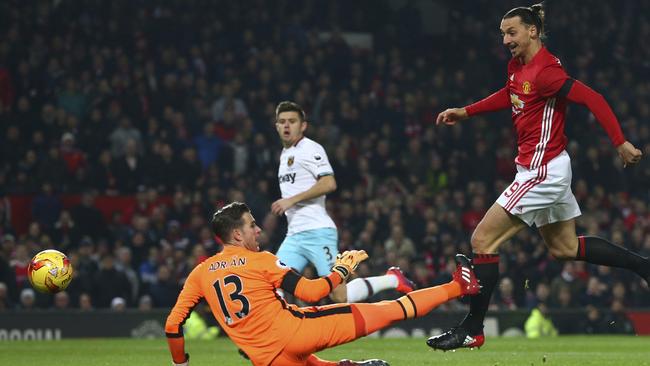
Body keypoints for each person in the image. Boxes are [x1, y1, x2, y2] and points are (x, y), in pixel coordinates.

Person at [427, 3, 647, 351]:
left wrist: (620, 143)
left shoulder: (547, 73)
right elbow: (511, 94)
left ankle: (472, 329)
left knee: (482, 241)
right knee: (565, 248)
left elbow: (593, 98)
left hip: (542, 170)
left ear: (532, 30)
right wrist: (467, 111)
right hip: (548, 166)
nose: (505, 40)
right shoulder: (517, 66)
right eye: (502, 33)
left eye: (511, 32)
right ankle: (644, 266)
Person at [165, 202, 480, 366]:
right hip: (299, 333)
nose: (258, 230)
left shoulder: (200, 273)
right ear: (237, 235)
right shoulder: (260, 261)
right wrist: (341, 270)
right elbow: (313, 292)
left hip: (267, 360)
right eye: (252, 225)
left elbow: (173, 326)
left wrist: (181, 363)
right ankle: (457, 286)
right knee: (389, 311)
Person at [272, 101, 415, 303]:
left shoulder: (310, 149)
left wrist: (291, 201)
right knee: (272, 282)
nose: (287, 126)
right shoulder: (285, 154)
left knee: (340, 296)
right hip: (294, 235)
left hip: (317, 232)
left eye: (292, 121)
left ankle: (392, 280)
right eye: (282, 122)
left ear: (303, 125)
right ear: (276, 125)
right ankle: (278, 330)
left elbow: (329, 183)